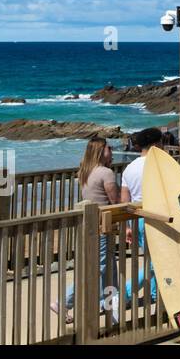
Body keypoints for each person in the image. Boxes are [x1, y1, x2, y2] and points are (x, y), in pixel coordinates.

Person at [56, 137, 122, 322]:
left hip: (89, 225)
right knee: (98, 268)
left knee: (108, 268)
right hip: (102, 225)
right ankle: (64, 302)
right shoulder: (106, 173)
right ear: (101, 151)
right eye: (110, 148)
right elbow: (115, 201)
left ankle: (108, 306)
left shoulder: (85, 171)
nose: (113, 151)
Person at [119, 128, 163, 302]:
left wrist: (128, 226)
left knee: (151, 259)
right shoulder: (159, 164)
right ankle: (123, 295)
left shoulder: (129, 168)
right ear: (156, 144)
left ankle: (153, 296)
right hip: (157, 217)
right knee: (155, 263)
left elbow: (125, 199)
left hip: (137, 219)